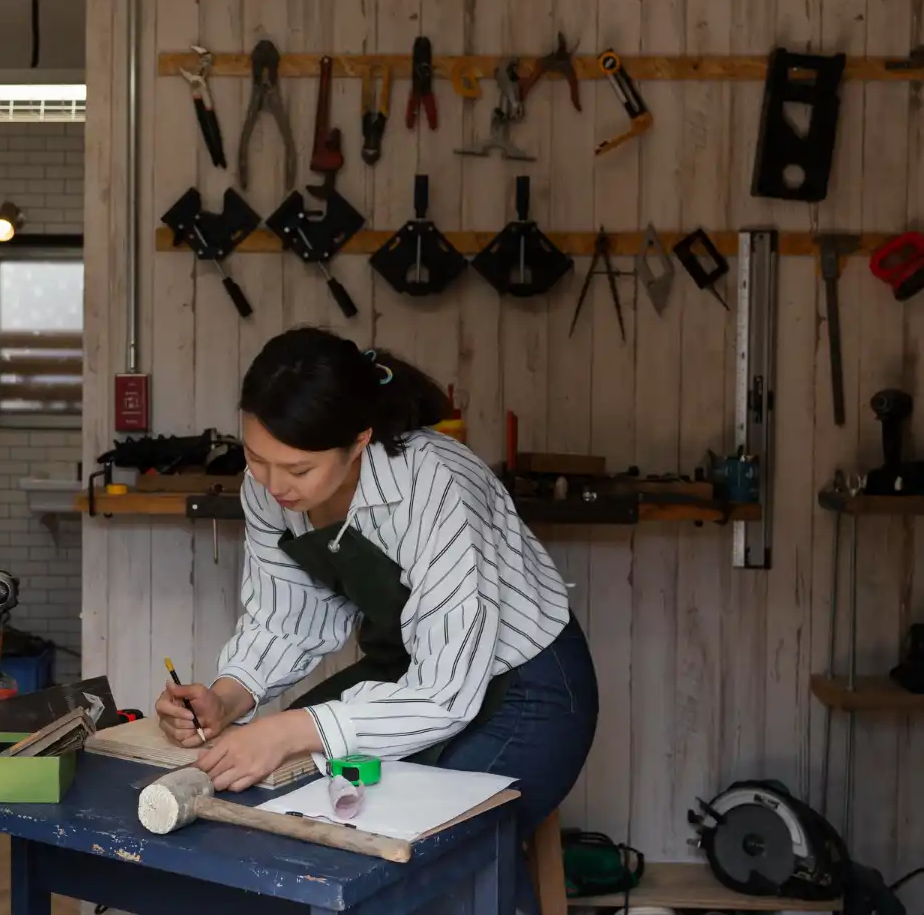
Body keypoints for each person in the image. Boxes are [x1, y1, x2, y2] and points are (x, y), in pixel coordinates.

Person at [155, 326, 599, 905]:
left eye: (298, 469)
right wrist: (229, 696)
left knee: (436, 852)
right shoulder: (266, 487)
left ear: (360, 439)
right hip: (403, 676)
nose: (274, 484)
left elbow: (444, 693)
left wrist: (292, 729)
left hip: (526, 691)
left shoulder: (438, 483)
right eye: (256, 458)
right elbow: (286, 618)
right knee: (271, 801)